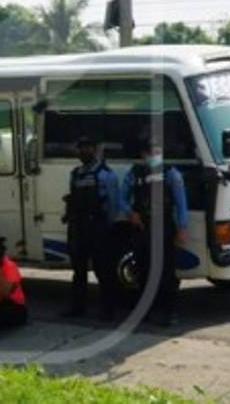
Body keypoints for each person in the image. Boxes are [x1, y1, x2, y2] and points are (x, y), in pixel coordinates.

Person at [123, 142, 191, 326]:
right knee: (142, 271)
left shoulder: (171, 174)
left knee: (167, 272)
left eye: (158, 152)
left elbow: (181, 204)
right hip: (142, 227)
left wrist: (183, 228)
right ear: (143, 154)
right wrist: (130, 213)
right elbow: (121, 198)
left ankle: (170, 313)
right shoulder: (134, 174)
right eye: (151, 152)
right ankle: (144, 313)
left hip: (164, 227)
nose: (154, 156)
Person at [62, 135, 124, 321]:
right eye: (81, 148)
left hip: (98, 228)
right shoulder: (76, 173)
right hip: (78, 227)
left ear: (95, 150)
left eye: (88, 148)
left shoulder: (105, 174)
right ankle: (78, 307)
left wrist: (105, 225)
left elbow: (113, 205)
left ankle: (108, 310)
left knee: (103, 271)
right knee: (78, 271)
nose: (84, 151)